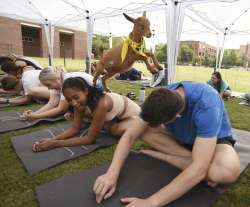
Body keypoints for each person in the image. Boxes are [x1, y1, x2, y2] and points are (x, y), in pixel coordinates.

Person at [93, 81, 241, 207]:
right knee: (136, 129)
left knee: (224, 172)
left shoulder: (207, 102)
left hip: (215, 142)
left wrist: (151, 202)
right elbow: (131, 135)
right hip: (182, 141)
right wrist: (111, 174)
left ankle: (170, 157)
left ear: (177, 116)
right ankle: (195, 163)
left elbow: (201, 168)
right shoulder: (160, 97)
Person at [32, 77, 141, 151]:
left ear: (86, 91)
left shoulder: (102, 103)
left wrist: (55, 144)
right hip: (117, 117)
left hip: (136, 117)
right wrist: (52, 139)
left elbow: (89, 139)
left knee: (114, 130)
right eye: (69, 100)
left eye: (75, 97)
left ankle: (135, 127)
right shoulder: (80, 102)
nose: (73, 103)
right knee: (104, 125)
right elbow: (75, 128)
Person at [22, 67, 102, 121]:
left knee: (70, 106)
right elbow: (51, 104)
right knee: (71, 106)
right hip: (87, 96)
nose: (48, 88)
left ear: (55, 79)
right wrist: (35, 113)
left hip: (98, 94)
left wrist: (36, 117)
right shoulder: (58, 81)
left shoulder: (66, 82)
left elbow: (61, 109)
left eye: (48, 85)